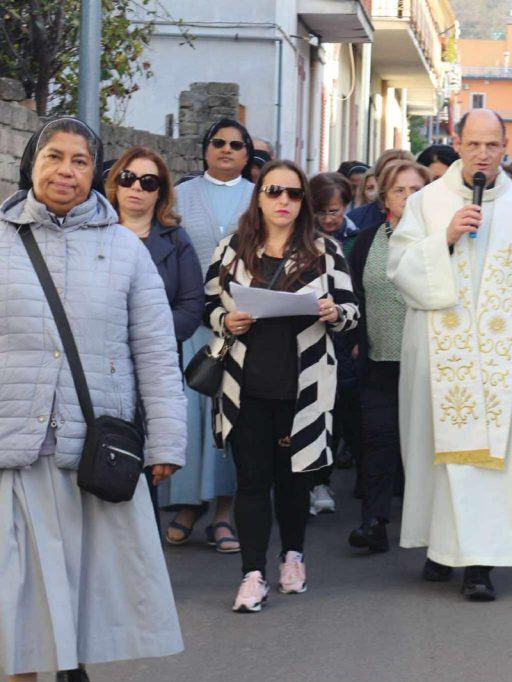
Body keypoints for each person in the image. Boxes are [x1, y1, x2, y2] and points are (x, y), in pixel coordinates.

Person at [0, 117, 187, 681]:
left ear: (95, 172)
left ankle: (69, 666)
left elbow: (155, 352)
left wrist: (166, 440)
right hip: (14, 451)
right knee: (15, 605)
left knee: (81, 597)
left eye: (80, 161)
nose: (66, 170)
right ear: (31, 163)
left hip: (90, 456)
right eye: (53, 157)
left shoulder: (126, 252)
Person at [388, 108, 512, 602]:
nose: (483, 153)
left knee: (487, 463)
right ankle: (441, 549)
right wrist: (444, 237)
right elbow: (399, 269)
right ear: (458, 143)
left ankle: (479, 565)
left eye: (493, 145)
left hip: (496, 359)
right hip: (437, 354)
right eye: (474, 143)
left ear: (505, 147)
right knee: (436, 458)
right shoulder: (427, 202)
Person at [204, 160, 359, 612]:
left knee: (294, 481)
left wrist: (334, 313)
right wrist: (225, 319)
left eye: (293, 194)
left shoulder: (325, 251)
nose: (283, 201)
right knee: (251, 482)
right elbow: (209, 307)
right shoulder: (232, 250)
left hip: (303, 387)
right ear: (260, 197)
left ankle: (293, 556)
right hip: (245, 385)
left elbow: (352, 313)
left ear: (303, 202)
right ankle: (252, 574)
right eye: (274, 192)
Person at [166, 118, 256, 552]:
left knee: (229, 418)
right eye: (217, 142)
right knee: (189, 417)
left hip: (242, 327)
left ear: (247, 154)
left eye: (235, 145)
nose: (225, 150)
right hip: (192, 325)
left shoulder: (260, 198)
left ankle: (223, 513)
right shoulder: (179, 197)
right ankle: (187, 506)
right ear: (205, 149)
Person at [346, 161, 431, 553]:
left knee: (425, 447)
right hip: (379, 360)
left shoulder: (438, 240)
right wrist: (358, 337)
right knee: (378, 440)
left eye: (416, 190)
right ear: (385, 199)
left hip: (428, 364)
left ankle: (431, 528)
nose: (408, 198)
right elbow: (355, 296)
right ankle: (375, 522)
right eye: (400, 190)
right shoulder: (366, 241)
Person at [105, 146, 205, 350]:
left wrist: (144, 331)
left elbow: (190, 308)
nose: (136, 187)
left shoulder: (177, 240)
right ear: (116, 183)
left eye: (148, 182)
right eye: (127, 178)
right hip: (102, 357)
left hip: (157, 356)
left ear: (161, 192)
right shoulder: (93, 232)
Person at [309, 172, 361, 513]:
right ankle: (315, 483)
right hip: (311, 334)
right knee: (315, 411)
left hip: (346, 334)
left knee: (344, 409)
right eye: (323, 212)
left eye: (336, 211)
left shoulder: (356, 239)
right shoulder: (302, 241)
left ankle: (336, 478)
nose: (330, 219)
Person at [348, 150, 416, 231]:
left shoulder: (428, 216)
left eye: (405, 174)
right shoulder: (356, 220)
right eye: (389, 174)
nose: (398, 180)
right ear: (377, 179)